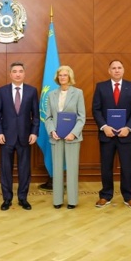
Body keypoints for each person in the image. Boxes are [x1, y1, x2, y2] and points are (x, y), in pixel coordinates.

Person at [92, 59, 131, 209]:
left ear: (123, 70)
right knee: (106, 166)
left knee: (127, 167)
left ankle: (129, 197)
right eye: (114, 68)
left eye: (119, 67)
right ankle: (105, 195)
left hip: (126, 135)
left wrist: (128, 127)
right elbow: (96, 109)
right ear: (109, 71)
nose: (117, 70)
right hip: (107, 135)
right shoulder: (101, 87)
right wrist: (104, 127)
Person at [0, 62, 39, 211]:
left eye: (20, 71)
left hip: (25, 137)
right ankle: (7, 199)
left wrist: (34, 132)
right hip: (6, 137)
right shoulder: (2, 91)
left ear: (24, 74)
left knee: (24, 170)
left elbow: (36, 115)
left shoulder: (32, 91)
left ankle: (23, 198)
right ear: (10, 74)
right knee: (5, 170)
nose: (18, 74)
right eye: (15, 71)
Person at [44, 65, 85, 209]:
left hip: (72, 137)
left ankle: (72, 201)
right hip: (56, 137)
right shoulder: (51, 94)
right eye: (60, 75)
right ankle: (57, 200)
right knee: (57, 169)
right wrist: (52, 131)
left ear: (70, 77)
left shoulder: (78, 93)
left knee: (72, 169)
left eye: (65, 75)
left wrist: (73, 133)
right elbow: (48, 117)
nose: (62, 78)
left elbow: (81, 117)